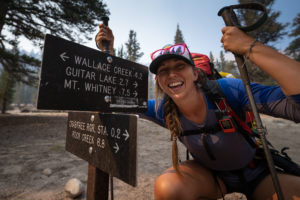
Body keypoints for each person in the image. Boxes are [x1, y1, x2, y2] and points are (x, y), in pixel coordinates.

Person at [96, 23, 300, 200]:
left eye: (179, 66)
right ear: (159, 81)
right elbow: (113, 100)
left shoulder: (229, 90)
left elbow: (296, 107)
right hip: (210, 176)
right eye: (163, 71)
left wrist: (250, 46)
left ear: (194, 74)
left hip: (257, 170)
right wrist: (108, 54)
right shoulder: (160, 109)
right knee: (170, 189)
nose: (172, 74)